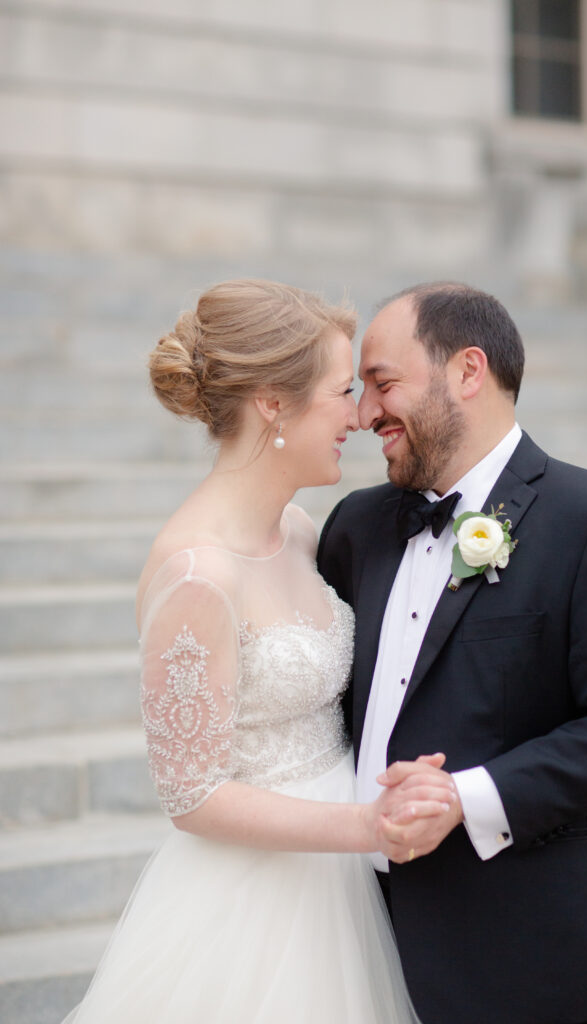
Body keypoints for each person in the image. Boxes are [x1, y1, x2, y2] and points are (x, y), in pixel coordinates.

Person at [63, 279, 453, 1024]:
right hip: (255, 907)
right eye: (341, 391)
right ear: (272, 403)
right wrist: (366, 827)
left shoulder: (302, 531)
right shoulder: (197, 576)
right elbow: (192, 795)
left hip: (342, 887)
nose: (360, 415)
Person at [317, 282, 587, 1024]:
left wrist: (463, 798)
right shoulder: (355, 525)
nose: (363, 415)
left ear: (467, 371)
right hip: (362, 946)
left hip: (539, 958)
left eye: (383, 384)